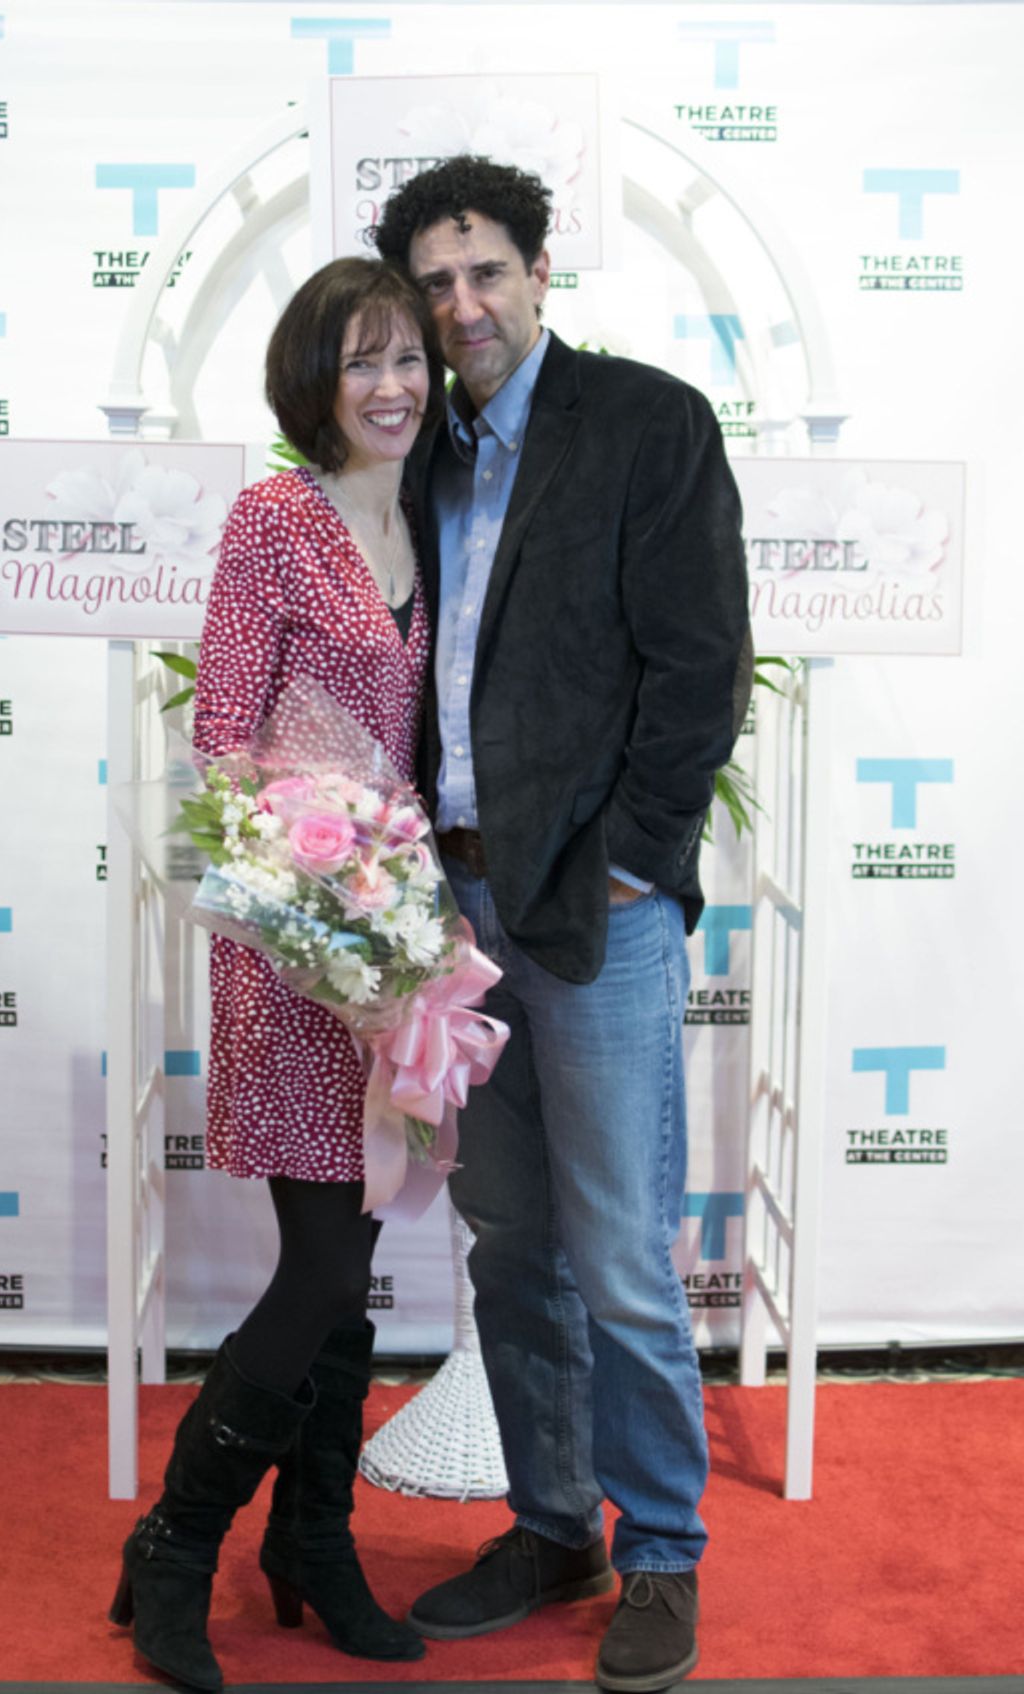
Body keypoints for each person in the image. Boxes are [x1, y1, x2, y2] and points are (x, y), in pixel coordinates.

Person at [373, 157, 752, 1692]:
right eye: (436, 285)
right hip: (455, 908)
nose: (462, 306)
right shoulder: (417, 452)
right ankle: (553, 1525)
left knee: (615, 1247)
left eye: (486, 274)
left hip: (595, 916)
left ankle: (659, 1546)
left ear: (539, 273)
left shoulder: (646, 425)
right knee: (509, 1237)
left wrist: (634, 861)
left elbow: (698, 663)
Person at [109, 257, 446, 1693]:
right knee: (318, 1265)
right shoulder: (273, 519)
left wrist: (405, 948)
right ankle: (177, 1547)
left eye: (412, 358)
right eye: (364, 361)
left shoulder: (437, 520)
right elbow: (228, 743)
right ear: (315, 378)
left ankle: (315, 1540)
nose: (394, 387)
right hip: (298, 949)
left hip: (403, 952)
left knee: (354, 1270)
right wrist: (328, 922)